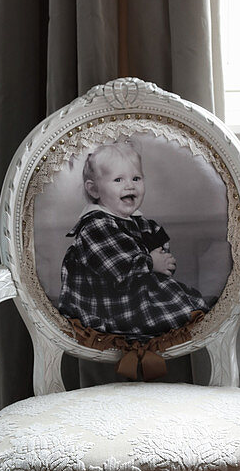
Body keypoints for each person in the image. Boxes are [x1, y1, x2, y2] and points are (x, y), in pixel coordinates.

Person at [58, 141, 211, 341]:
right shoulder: (95, 226)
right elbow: (120, 269)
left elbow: (162, 256)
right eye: (118, 180)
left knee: (186, 301)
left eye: (136, 178)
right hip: (107, 302)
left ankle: (185, 311)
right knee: (173, 312)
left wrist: (160, 259)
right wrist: (151, 261)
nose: (130, 185)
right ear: (94, 190)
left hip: (133, 290)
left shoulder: (138, 222)